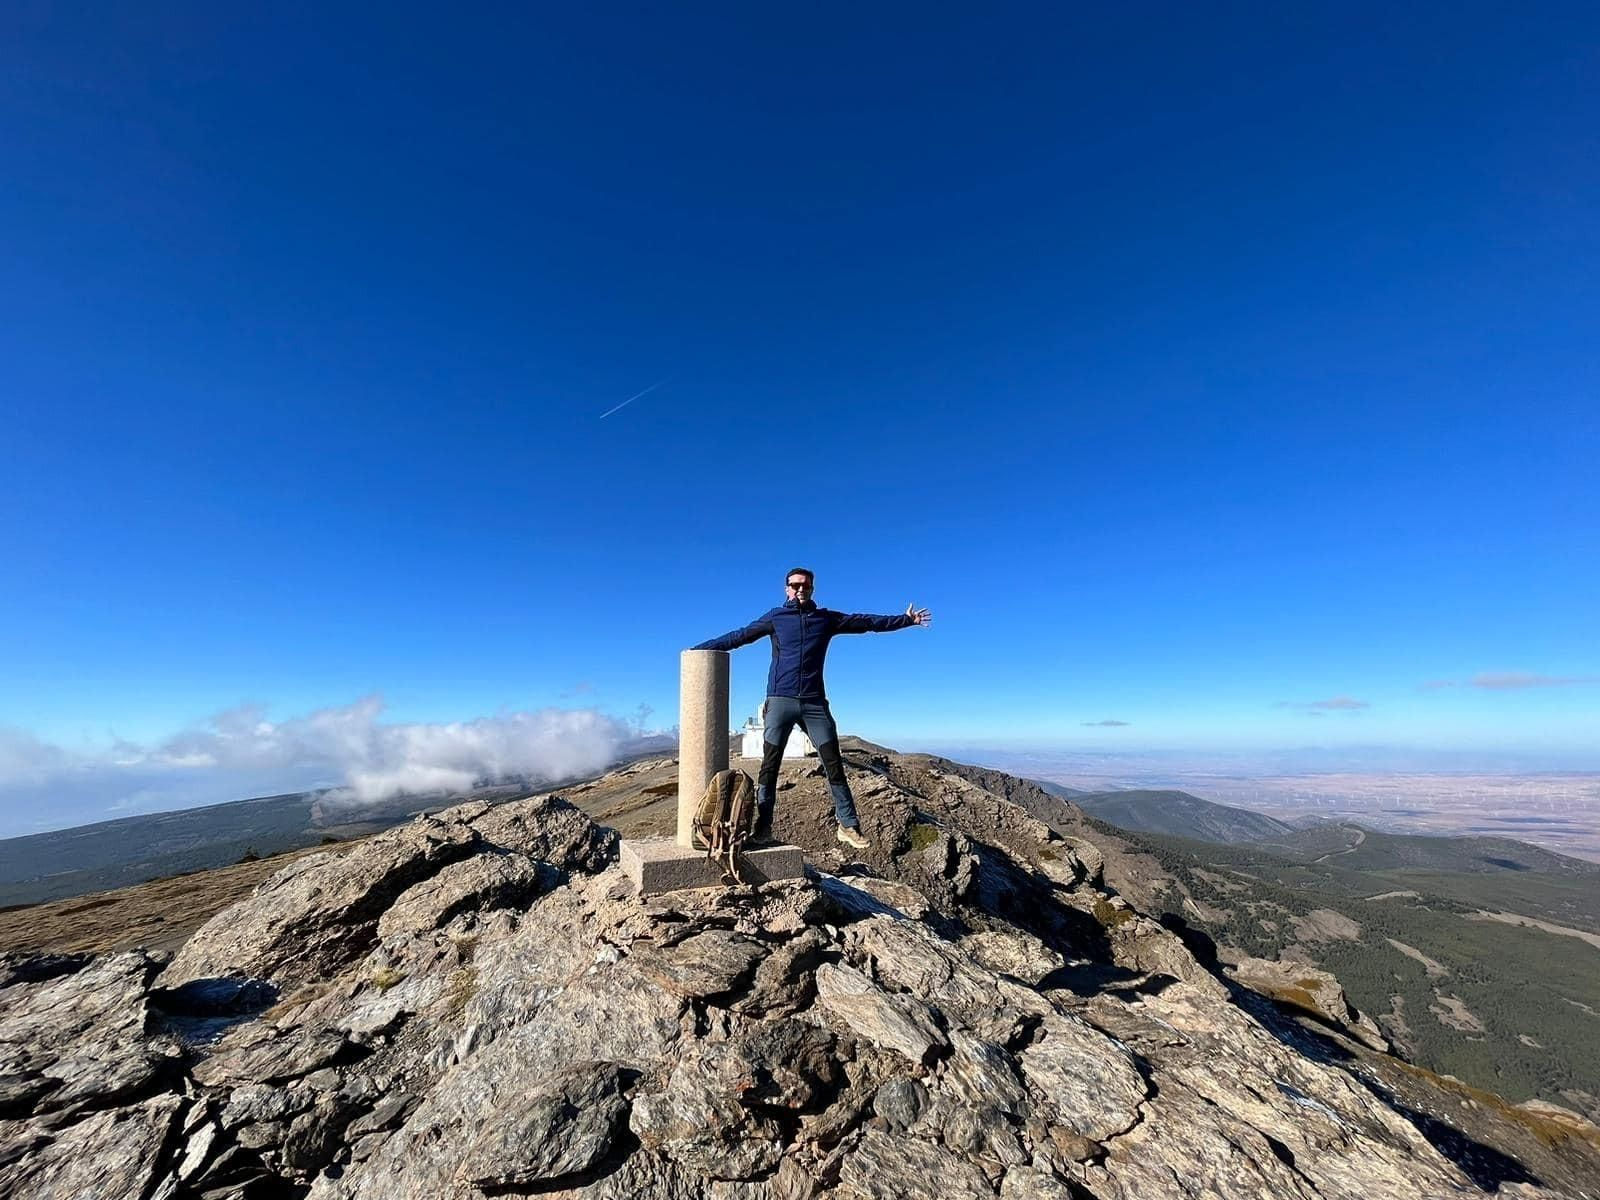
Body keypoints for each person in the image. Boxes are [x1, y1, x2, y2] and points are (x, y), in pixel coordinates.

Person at [691, 567, 932, 849]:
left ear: (812, 589)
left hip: (815, 703)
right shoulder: (775, 617)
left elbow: (866, 622)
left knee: (834, 764)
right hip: (780, 700)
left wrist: (905, 620)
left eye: (805, 586)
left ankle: (848, 825)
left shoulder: (825, 619)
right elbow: (740, 636)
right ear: (786, 589)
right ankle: (764, 827)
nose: (800, 590)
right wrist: (699, 650)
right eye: (795, 586)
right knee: (769, 767)